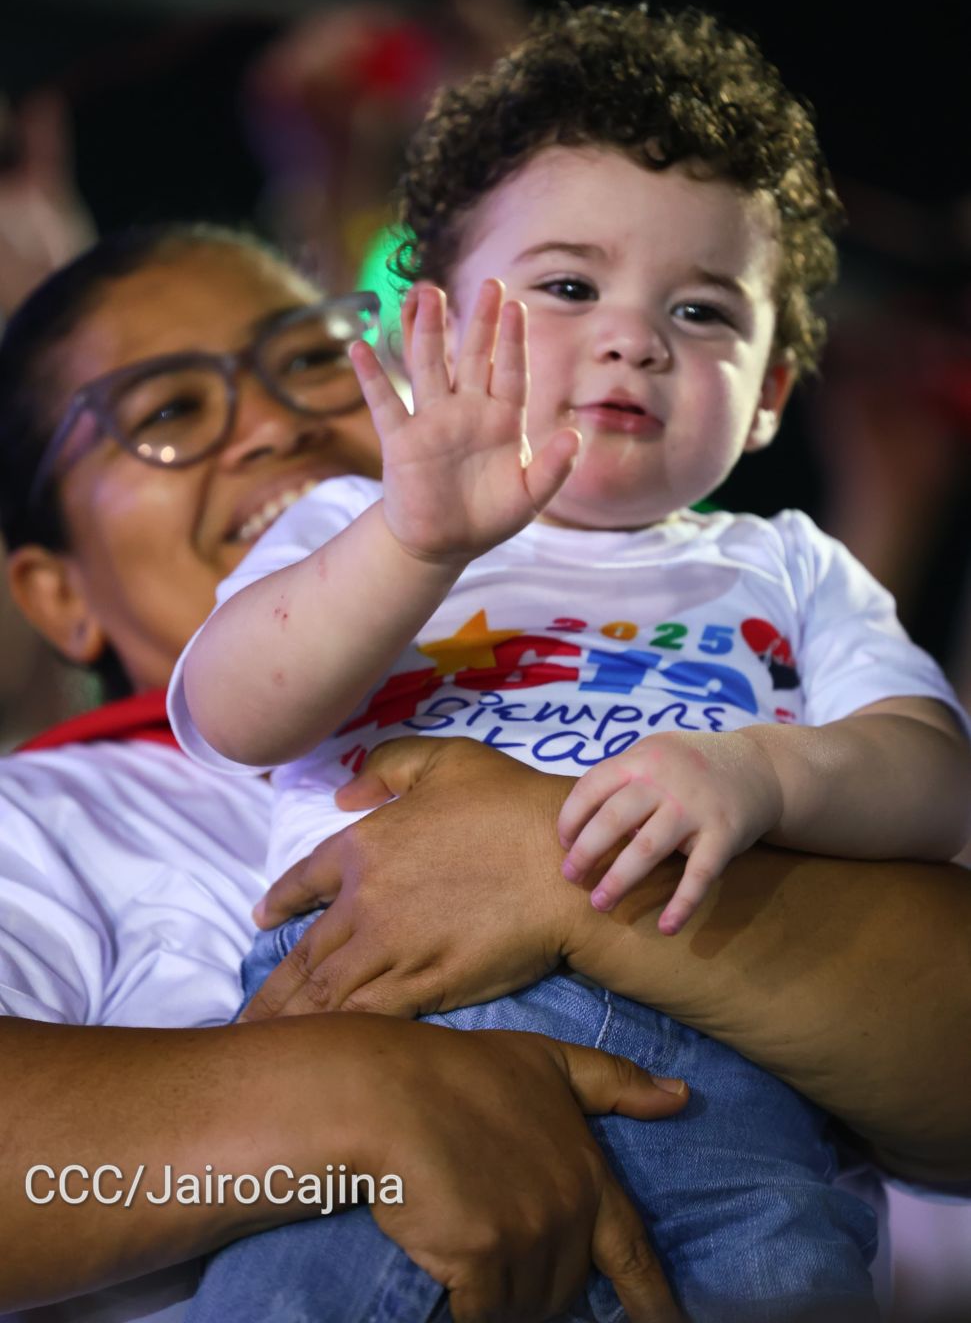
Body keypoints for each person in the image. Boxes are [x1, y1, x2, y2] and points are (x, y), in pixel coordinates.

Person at [1, 226, 969, 1323]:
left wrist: (547, 868)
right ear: (55, 593)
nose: (275, 424)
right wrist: (363, 1099)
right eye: (168, 412)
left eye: (314, 358)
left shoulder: (718, 696)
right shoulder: (37, 823)